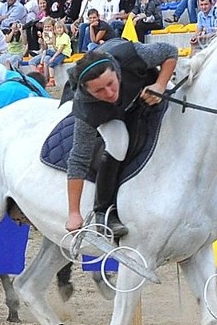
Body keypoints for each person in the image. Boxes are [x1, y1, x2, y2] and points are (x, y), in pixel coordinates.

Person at [64, 39, 178, 237]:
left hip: (145, 88)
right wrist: (74, 212)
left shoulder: (134, 54)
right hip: (111, 116)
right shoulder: (85, 107)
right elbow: (79, 158)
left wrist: (159, 85)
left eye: (110, 83)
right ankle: (103, 212)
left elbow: (170, 51)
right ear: (87, 91)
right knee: (119, 142)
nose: (109, 93)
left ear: (117, 72)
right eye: (99, 90)